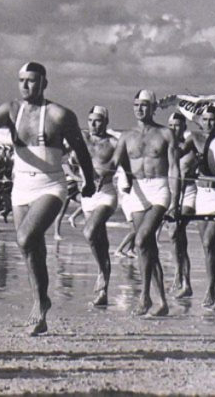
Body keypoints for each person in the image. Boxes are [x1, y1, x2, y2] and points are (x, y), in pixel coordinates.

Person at [0, 61, 95, 335]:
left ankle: (40, 304)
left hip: (51, 186)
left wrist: (89, 181)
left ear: (44, 83)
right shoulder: (12, 110)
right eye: (21, 80)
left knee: (25, 237)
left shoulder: (59, 115)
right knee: (31, 248)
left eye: (31, 80)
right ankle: (41, 303)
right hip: (20, 187)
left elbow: (80, 149)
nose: (25, 85)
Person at [117, 90, 175, 317]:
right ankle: (161, 302)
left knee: (140, 240)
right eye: (136, 105)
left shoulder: (166, 134)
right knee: (147, 246)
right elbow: (118, 160)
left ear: (153, 107)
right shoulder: (126, 136)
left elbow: (175, 169)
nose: (139, 109)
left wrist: (175, 199)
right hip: (137, 191)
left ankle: (144, 296)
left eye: (144, 105)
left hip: (159, 189)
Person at [79, 105, 126, 306]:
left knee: (89, 232)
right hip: (87, 196)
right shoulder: (81, 139)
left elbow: (123, 165)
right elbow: (62, 159)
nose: (93, 124)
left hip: (106, 194)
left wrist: (107, 174)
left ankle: (100, 273)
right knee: (99, 241)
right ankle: (103, 289)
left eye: (97, 121)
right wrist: (73, 177)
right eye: (90, 120)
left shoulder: (114, 142)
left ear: (105, 122)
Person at [193, 105, 215, 311]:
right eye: (205, 120)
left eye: (213, 120)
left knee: (209, 242)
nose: (209, 123)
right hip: (201, 196)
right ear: (200, 121)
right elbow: (176, 155)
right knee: (209, 249)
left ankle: (210, 289)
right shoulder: (195, 139)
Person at [168, 111, 197, 299]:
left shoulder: (191, 145)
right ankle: (178, 273)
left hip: (188, 193)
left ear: (184, 127)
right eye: (170, 126)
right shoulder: (166, 146)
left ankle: (185, 281)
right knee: (174, 236)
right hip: (170, 194)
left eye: (177, 125)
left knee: (177, 230)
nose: (173, 129)